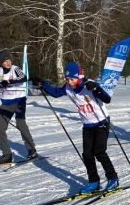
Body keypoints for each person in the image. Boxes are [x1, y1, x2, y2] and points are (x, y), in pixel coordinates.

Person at [32, 62, 118, 194]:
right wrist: (43, 84)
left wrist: (96, 89)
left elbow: (107, 99)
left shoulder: (89, 85)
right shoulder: (68, 88)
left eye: (72, 79)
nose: (70, 82)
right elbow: (55, 93)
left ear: (80, 76)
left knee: (99, 152)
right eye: (68, 79)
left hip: (102, 122)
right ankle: (94, 181)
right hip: (87, 124)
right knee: (87, 154)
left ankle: (113, 178)